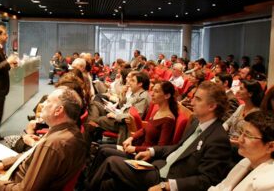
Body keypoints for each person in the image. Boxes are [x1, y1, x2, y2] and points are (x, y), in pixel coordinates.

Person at [87, 81, 232, 191]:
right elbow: (178, 147)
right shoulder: (196, 123)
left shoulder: (218, 138)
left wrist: (167, 186)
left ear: (212, 106)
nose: (192, 102)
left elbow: (207, 180)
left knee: (111, 161)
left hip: (167, 178)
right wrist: (151, 151)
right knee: (108, 184)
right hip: (158, 167)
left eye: (198, 99)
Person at [0, 87, 88, 191]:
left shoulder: (53, 144)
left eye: (48, 101)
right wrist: (2, 164)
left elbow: (26, 189)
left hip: (14, 180)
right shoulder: (70, 132)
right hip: (18, 172)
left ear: (58, 110)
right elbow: (31, 154)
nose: (42, 104)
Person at [209, 111, 274, 191]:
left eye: (248, 135)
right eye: (242, 132)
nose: (240, 139)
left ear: (271, 146)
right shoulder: (246, 161)